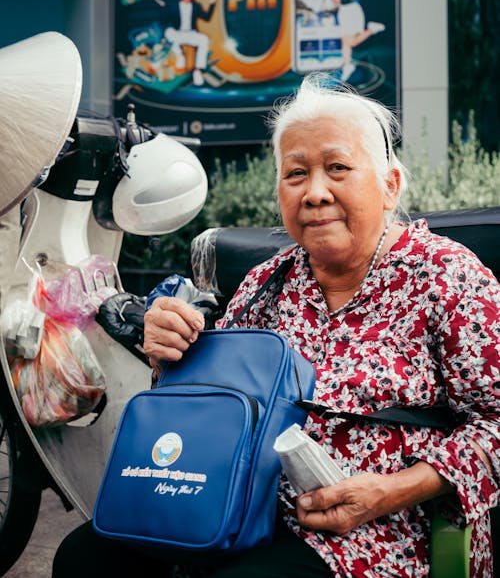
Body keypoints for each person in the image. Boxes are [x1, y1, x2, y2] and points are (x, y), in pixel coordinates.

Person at [53, 74, 500, 578]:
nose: (314, 193)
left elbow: (495, 425)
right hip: (236, 500)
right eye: (295, 174)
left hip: (371, 532)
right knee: (86, 558)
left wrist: (389, 490)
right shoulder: (268, 280)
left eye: (337, 168)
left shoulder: (448, 276)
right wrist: (170, 350)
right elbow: (210, 400)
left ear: (389, 185)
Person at [326, 0, 385, 81]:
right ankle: (347, 66)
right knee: (346, 42)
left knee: (350, 42)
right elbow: (337, 1)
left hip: (353, 10)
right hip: (343, 11)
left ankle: (371, 30)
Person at [155, 0, 216, 86]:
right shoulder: (174, 6)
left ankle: (198, 70)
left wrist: (212, 4)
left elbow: (207, 17)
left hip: (190, 34)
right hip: (178, 34)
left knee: (204, 39)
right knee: (167, 32)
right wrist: (163, 7)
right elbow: (163, 20)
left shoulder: (196, 6)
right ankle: (180, 56)